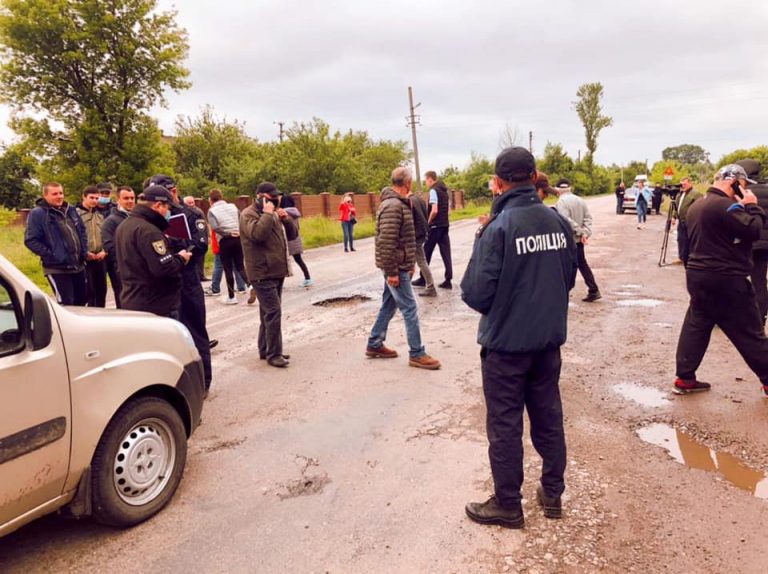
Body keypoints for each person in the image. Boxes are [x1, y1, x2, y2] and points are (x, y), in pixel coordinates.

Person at [461, 147, 576, 529]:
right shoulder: (557, 223)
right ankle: (552, 493)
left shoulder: (499, 227)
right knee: (549, 415)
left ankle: (508, 504)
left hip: (506, 347)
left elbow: (475, 293)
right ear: (533, 176)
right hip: (547, 342)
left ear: (498, 182)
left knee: (506, 423)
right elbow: (568, 279)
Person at [673, 164, 768, 397]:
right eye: (743, 185)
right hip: (726, 278)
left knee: (697, 324)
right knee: (749, 332)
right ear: (733, 181)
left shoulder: (698, 205)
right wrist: (752, 205)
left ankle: (685, 378)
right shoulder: (727, 206)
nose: (744, 190)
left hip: (697, 275)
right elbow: (754, 229)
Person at [365, 167, 441, 370]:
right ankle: (417, 353)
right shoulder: (393, 206)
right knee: (410, 308)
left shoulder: (398, 203)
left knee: (389, 305)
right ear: (407, 183)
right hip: (394, 266)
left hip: (399, 264)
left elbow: (405, 238)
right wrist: (392, 272)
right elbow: (386, 241)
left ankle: (374, 343)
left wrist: (409, 265)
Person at [147, 174, 214, 390]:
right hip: (164, 283)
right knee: (170, 336)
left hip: (188, 279)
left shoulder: (191, 213)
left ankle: (203, 382)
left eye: (171, 192)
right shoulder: (150, 218)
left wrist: (180, 251)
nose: (168, 198)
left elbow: (201, 243)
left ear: (175, 190)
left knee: (196, 331)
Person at [240, 182, 298, 368]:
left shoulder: (274, 213)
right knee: (273, 312)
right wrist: (267, 214)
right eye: (271, 196)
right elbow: (257, 235)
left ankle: (265, 349)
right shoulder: (248, 214)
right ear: (260, 196)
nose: (276, 199)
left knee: (267, 312)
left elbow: (293, 235)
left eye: (276, 196)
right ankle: (274, 354)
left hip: (276, 270)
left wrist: (286, 219)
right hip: (261, 272)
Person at [114, 185, 191, 317]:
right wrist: (181, 258)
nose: (169, 212)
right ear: (158, 205)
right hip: (155, 304)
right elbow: (164, 269)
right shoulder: (149, 231)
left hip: (133, 299)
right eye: (168, 208)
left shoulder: (125, 225)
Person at [24, 182, 88, 305]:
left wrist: (84, 251)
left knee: (82, 301)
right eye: (55, 194)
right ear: (45, 196)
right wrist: (53, 255)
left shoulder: (71, 210)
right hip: (58, 269)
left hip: (78, 266)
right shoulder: (38, 213)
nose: (59, 196)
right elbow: (31, 240)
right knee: (67, 304)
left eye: (61, 193)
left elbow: (82, 231)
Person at [554, 179, 601, 302]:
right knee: (582, 264)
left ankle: (565, 292)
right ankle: (593, 289)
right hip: (579, 239)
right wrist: (585, 233)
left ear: (558, 189)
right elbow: (588, 218)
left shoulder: (561, 202)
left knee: (568, 266)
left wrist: (580, 232)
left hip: (568, 240)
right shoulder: (580, 200)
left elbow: (566, 221)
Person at [736, 160, 768, 325]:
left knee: (735, 278)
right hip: (764, 245)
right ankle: (759, 318)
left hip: (746, 241)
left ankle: (732, 315)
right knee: (760, 281)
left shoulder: (743, 192)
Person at [208, 188, 248, 304]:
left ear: (210, 200)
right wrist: (239, 232)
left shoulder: (212, 211)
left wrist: (227, 233)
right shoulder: (233, 206)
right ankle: (250, 285)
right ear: (221, 196)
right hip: (238, 238)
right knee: (240, 265)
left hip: (225, 240)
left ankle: (231, 296)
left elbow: (215, 227)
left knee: (228, 268)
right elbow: (241, 220)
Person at [101, 185, 135, 307]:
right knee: (124, 301)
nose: (130, 201)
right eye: (126, 198)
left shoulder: (137, 218)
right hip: (122, 269)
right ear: (118, 200)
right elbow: (109, 246)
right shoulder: (111, 222)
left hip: (138, 270)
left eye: (132, 198)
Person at [76, 186, 108, 307]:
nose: (94, 201)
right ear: (84, 197)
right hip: (85, 258)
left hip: (100, 258)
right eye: (91, 198)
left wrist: (104, 251)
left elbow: (104, 235)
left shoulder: (100, 215)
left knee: (101, 290)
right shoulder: (76, 215)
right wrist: (84, 253)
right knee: (89, 291)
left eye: (96, 198)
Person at [419, 171, 453, 289]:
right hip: (444, 225)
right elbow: (448, 209)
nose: (426, 183)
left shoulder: (433, 190)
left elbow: (434, 210)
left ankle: (423, 278)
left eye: (426, 181)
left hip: (435, 226)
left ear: (430, 179)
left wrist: (428, 223)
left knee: (426, 251)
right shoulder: (444, 190)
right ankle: (448, 279)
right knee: (446, 252)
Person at [408, 187, 436, 297]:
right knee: (412, 260)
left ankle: (430, 286)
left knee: (421, 261)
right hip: (422, 233)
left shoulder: (409, 201)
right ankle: (406, 285)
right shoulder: (419, 199)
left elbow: (410, 220)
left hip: (415, 235)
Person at [204, 232, 249, 297]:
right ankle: (242, 287)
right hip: (236, 240)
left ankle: (215, 288)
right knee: (237, 266)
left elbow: (216, 229)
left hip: (222, 242)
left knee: (219, 266)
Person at [282, 205, 313, 287]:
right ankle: (308, 278)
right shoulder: (295, 215)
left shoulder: (286, 215)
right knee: (299, 260)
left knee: (282, 262)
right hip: (297, 239)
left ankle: (280, 283)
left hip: (289, 241)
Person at [674, 177, 702, 267]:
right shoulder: (680, 194)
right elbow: (677, 207)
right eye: (681, 184)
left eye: (684, 184)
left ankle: (690, 258)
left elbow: (700, 207)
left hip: (690, 222)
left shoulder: (696, 194)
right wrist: (674, 217)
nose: (683, 186)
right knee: (681, 239)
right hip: (681, 221)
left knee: (689, 240)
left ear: (690, 183)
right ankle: (681, 257)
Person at [184, 195, 210, 281]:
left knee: (201, 258)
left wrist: (208, 236)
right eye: (189, 203)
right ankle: (197, 276)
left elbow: (204, 224)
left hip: (200, 238)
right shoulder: (184, 213)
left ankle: (201, 275)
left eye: (192, 202)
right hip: (191, 240)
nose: (192, 204)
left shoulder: (199, 211)